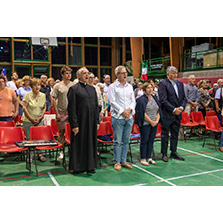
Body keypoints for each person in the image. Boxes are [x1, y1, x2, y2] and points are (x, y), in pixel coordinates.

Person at [67, 67, 99, 174]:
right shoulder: (74, 89)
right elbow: (71, 109)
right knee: (79, 144)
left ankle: (91, 165)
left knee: (91, 143)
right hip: (80, 122)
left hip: (92, 122)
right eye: (84, 73)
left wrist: (97, 121)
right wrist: (74, 125)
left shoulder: (92, 89)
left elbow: (95, 106)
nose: (87, 75)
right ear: (79, 76)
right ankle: (79, 167)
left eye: (88, 73)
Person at [108, 65, 136, 171]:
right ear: (117, 74)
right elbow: (112, 101)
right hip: (118, 117)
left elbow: (133, 100)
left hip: (129, 117)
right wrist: (122, 111)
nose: (125, 75)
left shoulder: (129, 86)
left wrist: (130, 110)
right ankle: (117, 162)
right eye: (122, 73)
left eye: (125, 73)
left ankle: (124, 160)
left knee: (126, 140)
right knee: (117, 141)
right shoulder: (112, 87)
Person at [158, 66, 186, 162]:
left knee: (175, 134)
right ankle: (164, 153)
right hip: (167, 114)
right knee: (165, 135)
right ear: (168, 74)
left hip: (178, 114)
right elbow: (163, 100)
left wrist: (181, 108)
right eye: (173, 73)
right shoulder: (163, 84)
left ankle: (173, 152)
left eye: (176, 73)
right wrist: (173, 109)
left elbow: (183, 98)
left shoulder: (180, 84)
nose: (175, 75)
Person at [135, 82, 161, 166]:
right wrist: (151, 121)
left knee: (151, 140)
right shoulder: (141, 99)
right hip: (145, 123)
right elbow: (142, 113)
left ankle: (149, 157)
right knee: (144, 140)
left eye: (151, 88)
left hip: (154, 123)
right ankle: (143, 158)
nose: (150, 89)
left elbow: (158, 110)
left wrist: (156, 121)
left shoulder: (155, 98)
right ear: (144, 89)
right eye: (148, 88)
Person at [51, 66, 74, 159]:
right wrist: (57, 113)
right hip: (61, 111)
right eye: (67, 73)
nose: (69, 75)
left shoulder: (74, 85)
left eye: (70, 73)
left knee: (72, 131)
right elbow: (53, 98)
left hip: (72, 111)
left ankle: (71, 149)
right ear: (62, 75)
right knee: (61, 132)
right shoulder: (58, 86)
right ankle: (61, 151)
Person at [22, 78, 46, 162]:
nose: (37, 87)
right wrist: (31, 119)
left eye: (39, 85)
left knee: (39, 138)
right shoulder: (27, 95)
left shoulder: (43, 95)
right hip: (28, 120)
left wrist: (40, 117)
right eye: (35, 85)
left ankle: (40, 154)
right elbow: (24, 108)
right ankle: (30, 155)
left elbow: (44, 107)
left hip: (39, 120)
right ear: (31, 86)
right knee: (29, 139)